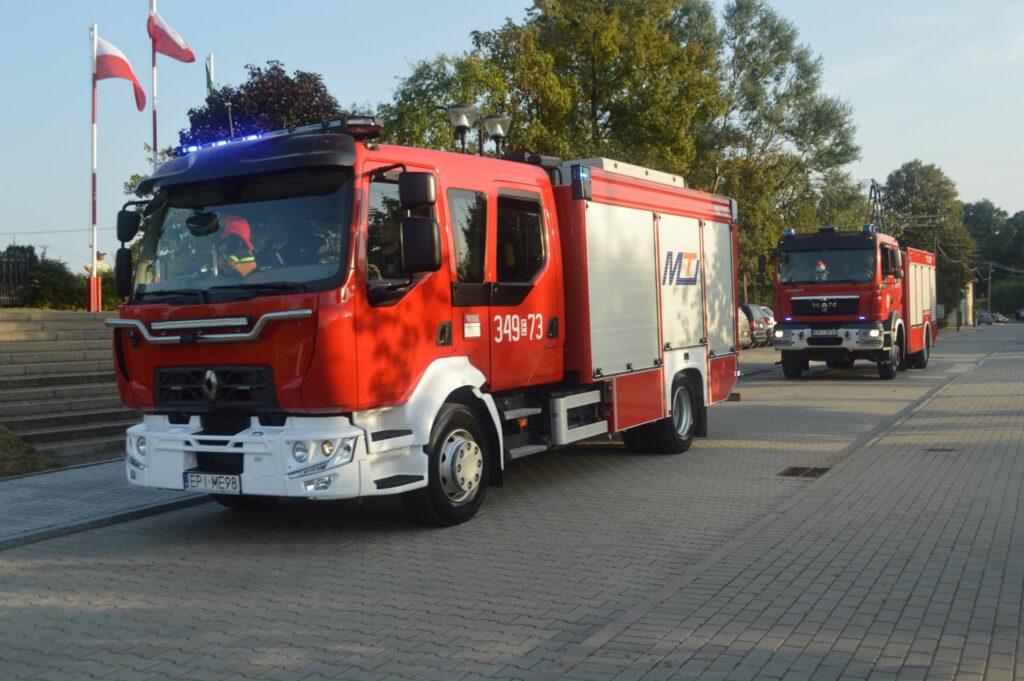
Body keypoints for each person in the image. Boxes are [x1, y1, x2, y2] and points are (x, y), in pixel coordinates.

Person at [258, 211, 325, 268]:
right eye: (269, 224)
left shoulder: (300, 255)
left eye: (277, 223)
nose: (272, 227)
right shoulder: (261, 255)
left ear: (288, 225)